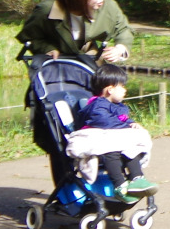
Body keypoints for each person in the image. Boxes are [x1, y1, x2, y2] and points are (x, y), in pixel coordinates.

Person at [66, 63, 157, 196]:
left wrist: (131, 124)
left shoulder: (117, 106)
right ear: (110, 89)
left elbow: (123, 118)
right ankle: (120, 184)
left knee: (131, 149)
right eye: (122, 87)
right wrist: (126, 127)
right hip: (100, 141)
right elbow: (104, 122)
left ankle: (137, 178)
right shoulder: (97, 105)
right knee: (112, 152)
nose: (125, 90)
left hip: (113, 138)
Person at [18, 0, 134, 64]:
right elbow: (29, 37)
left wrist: (120, 49)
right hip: (55, 64)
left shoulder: (107, 5)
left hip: (90, 61)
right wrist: (47, 49)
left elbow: (124, 29)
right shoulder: (47, 10)